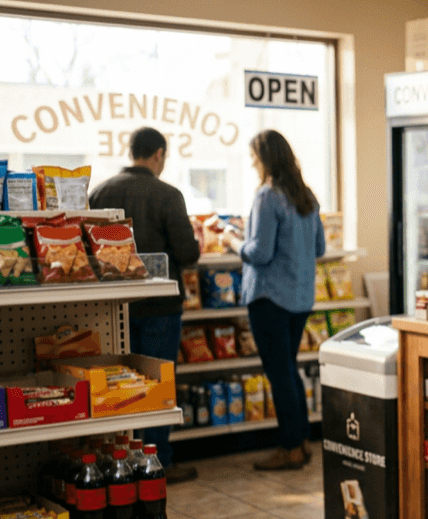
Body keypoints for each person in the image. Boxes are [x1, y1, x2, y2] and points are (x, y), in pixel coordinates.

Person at [90, 127, 201, 484]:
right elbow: (187, 253)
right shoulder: (168, 195)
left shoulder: (101, 191)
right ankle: (158, 463)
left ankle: (121, 461)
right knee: (157, 385)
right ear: (158, 155)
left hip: (112, 310)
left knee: (119, 388)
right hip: (159, 306)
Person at [223, 130, 325, 471]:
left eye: (254, 157)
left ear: (266, 159)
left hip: (269, 297)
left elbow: (260, 253)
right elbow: (320, 249)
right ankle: (301, 443)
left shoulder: (267, 196)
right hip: (300, 297)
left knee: (279, 374)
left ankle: (291, 448)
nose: (252, 164)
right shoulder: (306, 196)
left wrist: (233, 242)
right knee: (288, 370)